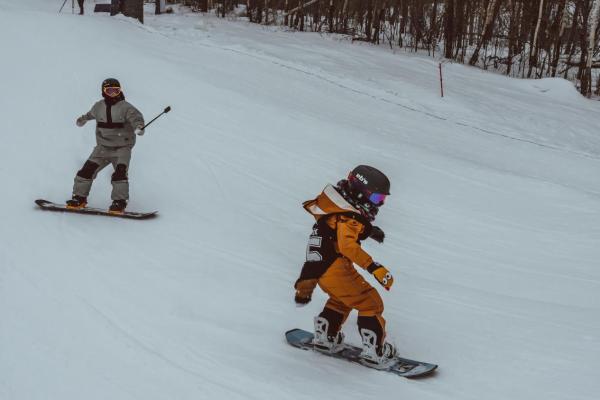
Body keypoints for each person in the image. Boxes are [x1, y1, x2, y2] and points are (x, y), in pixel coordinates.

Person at [294, 165, 396, 369]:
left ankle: (326, 335)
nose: (380, 205)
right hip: (335, 268)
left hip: (321, 270)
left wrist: (368, 231)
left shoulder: (337, 210)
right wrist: (373, 266)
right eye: (377, 199)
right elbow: (347, 245)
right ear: (360, 193)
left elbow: (338, 229)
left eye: (383, 200)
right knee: (370, 302)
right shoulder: (348, 216)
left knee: (341, 299)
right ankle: (374, 351)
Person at [67, 78, 145, 213]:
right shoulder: (98, 106)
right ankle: (79, 198)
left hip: (122, 148)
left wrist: (139, 127)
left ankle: (119, 202)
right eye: (109, 91)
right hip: (103, 148)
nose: (113, 94)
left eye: (116, 91)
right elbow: (89, 114)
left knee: (120, 173)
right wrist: (82, 119)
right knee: (86, 171)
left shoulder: (126, 107)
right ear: (104, 92)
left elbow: (136, 118)